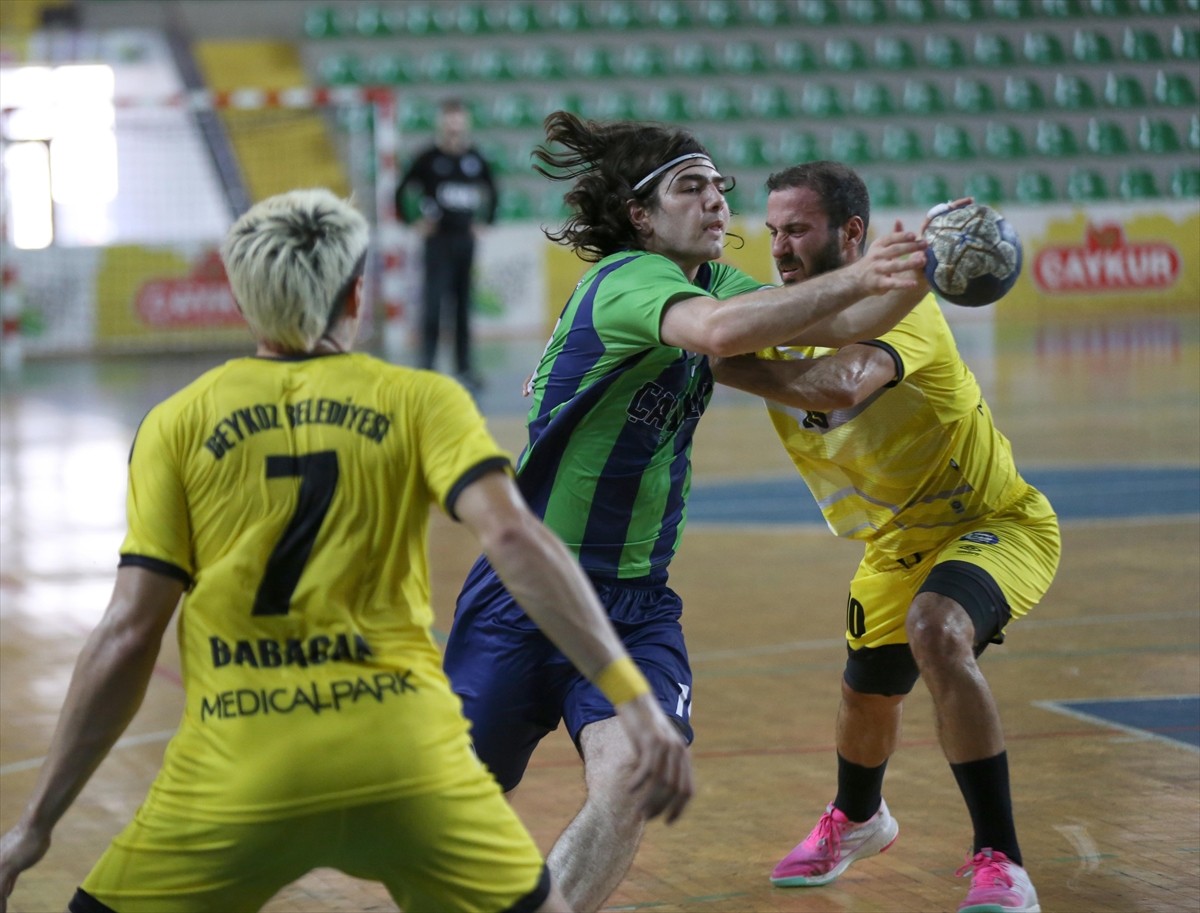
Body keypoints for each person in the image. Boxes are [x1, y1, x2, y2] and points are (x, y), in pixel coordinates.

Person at [0, 188, 695, 913]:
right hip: (402, 760)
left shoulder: (176, 423)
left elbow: (127, 632)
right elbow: (518, 538)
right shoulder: (421, 399)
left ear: (241, 295)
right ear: (357, 293)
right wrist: (627, 692)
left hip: (239, 765)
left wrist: (31, 827)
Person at [442, 112, 930, 913]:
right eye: (690, 188)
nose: (716, 203)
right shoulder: (628, 281)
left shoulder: (712, 280)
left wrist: (921, 271)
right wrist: (867, 273)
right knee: (449, 810)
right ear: (640, 215)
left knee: (634, 773)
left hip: (636, 603)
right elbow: (726, 332)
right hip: (530, 594)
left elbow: (837, 321)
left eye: (717, 187)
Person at [712, 162, 1060, 913]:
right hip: (894, 545)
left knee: (937, 629)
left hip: (992, 522)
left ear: (853, 233)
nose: (779, 245)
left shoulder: (902, 309)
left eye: (797, 228)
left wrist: (726, 363)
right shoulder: (775, 310)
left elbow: (837, 385)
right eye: (772, 230)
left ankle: (1002, 859)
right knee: (867, 697)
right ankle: (861, 819)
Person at [395, 97, 497, 391]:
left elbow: (492, 191)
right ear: (442, 122)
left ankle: (464, 368)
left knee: (463, 308)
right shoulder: (428, 159)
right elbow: (402, 190)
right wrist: (412, 221)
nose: (454, 124)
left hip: (465, 242)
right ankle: (426, 367)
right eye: (449, 118)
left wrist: (485, 222)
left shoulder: (475, 159)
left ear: (466, 122)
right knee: (433, 306)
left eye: (459, 118)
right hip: (437, 243)